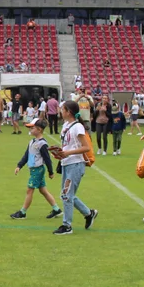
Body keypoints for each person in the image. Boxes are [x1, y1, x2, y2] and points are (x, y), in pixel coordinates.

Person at [49, 100, 98, 236]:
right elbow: (68, 145)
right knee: (67, 194)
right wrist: (59, 154)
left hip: (76, 163)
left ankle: (67, 225)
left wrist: (68, 153)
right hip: (67, 163)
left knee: (66, 195)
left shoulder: (78, 127)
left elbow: (86, 147)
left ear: (68, 111)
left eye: (62, 109)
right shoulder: (66, 125)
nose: (60, 111)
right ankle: (89, 213)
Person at [9, 118, 61, 220]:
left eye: (32, 128)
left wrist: (51, 172)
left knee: (29, 190)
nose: (30, 130)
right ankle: (56, 209)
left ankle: (22, 212)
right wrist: (19, 166)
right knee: (43, 190)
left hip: (38, 170)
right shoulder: (32, 142)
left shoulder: (42, 144)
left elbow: (47, 159)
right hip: (33, 170)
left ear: (39, 130)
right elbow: (26, 155)